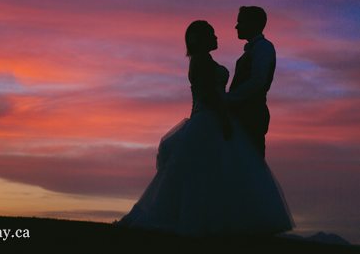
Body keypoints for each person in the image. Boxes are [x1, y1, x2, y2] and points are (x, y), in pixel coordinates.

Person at [117, 20, 293, 236]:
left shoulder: (204, 60)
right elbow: (209, 95)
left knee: (212, 173)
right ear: (202, 39)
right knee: (206, 173)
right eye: (212, 34)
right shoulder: (201, 61)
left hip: (207, 118)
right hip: (210, 118)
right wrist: (224, 120)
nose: (217, 37)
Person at [223, 6, 274, 158]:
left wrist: (229, 98)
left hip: (252, 116)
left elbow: (258, 81)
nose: (236, 26)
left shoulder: (263, 47)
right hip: (244, 115)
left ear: (252, 23)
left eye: (240, 22)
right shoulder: (254, 49)